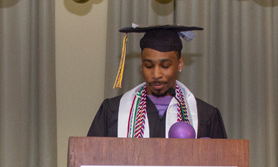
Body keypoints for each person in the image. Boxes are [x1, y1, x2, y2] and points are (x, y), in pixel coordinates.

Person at [86, 25, 227, 138]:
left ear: (180, 64)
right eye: (148, 65)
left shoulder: (205, 115)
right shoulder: (113, 110)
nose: (156, 74)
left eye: (165, 66)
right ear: (141, 64)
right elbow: (90, 163)